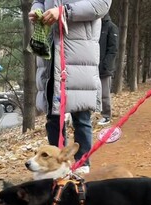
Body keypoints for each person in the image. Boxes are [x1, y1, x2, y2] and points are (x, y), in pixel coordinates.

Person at [29, 0, 111, 174]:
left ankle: (82, 163)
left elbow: (102, 4)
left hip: (79, 51)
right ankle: (54, 165)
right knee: (52, 116)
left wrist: (65, 11)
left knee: (81, 114)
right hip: (50, 51)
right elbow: (39, 1)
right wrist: (37, 10)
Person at [98, 14, 118, 126]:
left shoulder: (111, 27)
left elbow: (113, 49)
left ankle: (106, 115)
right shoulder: (94, 25)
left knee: (104, 93)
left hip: (104, 67)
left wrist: (106, 64)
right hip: (92, 65)